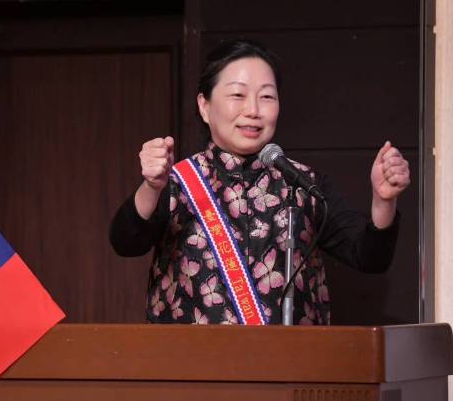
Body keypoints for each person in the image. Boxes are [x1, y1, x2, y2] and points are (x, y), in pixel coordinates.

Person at [109, 40, 410, 325]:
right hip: (194, 361)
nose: (253, 110)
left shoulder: (304, 184)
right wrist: (152, 187)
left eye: (266, 96)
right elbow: (125, 242)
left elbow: (370, 258)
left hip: (289, 361)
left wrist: (384, 200)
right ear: (204, 105)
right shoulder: (179, 183)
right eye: (237, 95)